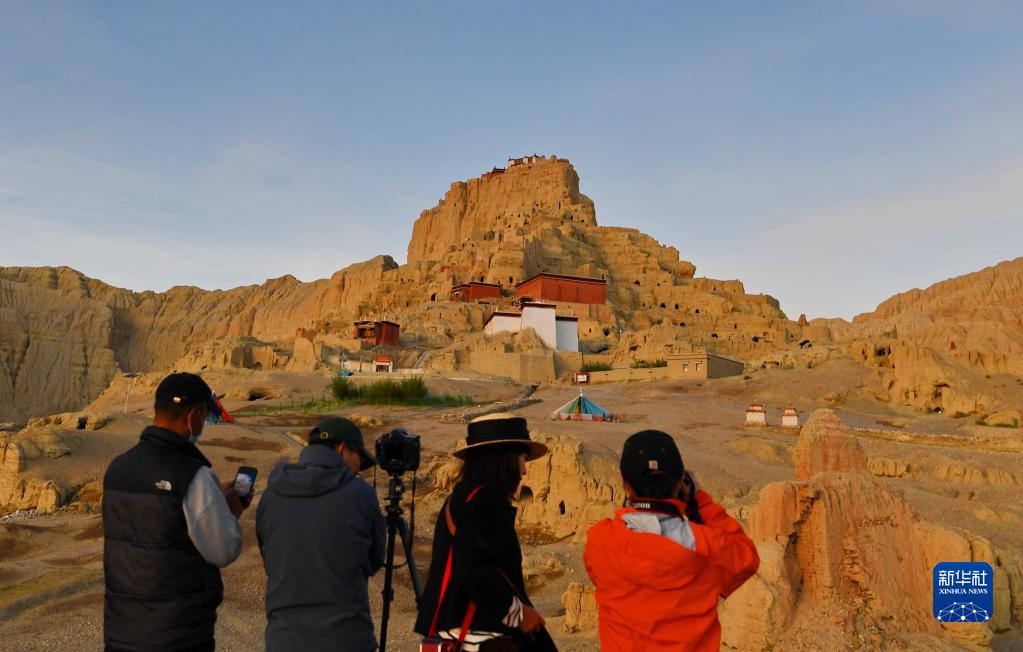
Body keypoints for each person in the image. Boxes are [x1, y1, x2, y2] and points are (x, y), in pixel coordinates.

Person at [103, 372, 247, 652]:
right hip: (177, 636)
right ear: (193, 416)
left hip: (121, 632)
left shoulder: (117, 469)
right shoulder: (193, 475)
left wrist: (211, 499)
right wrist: (228, 510)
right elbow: (224, 550)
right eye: (204, 417)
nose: (202, 424)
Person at [584, 429, 760, 651]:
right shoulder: (706, 545)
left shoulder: (600, 539)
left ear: (625, 485)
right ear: (679, 483)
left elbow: (597, 576)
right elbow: (747, 558)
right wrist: (699, 501)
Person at [415, 413, 557, 652]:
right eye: (523, 458)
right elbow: (472, 569)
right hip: (478, 637)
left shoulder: (463, 497)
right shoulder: (483, 499)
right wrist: (518, 614)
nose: (524, 471)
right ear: (504, 458)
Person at [256, 416, 386, 651]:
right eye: (359, 459)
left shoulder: (270, 494)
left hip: (283, 641)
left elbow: (270, 559)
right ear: (342, 449)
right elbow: (374, 560)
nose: (359, 470)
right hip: (346, 640)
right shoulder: (360, 494)